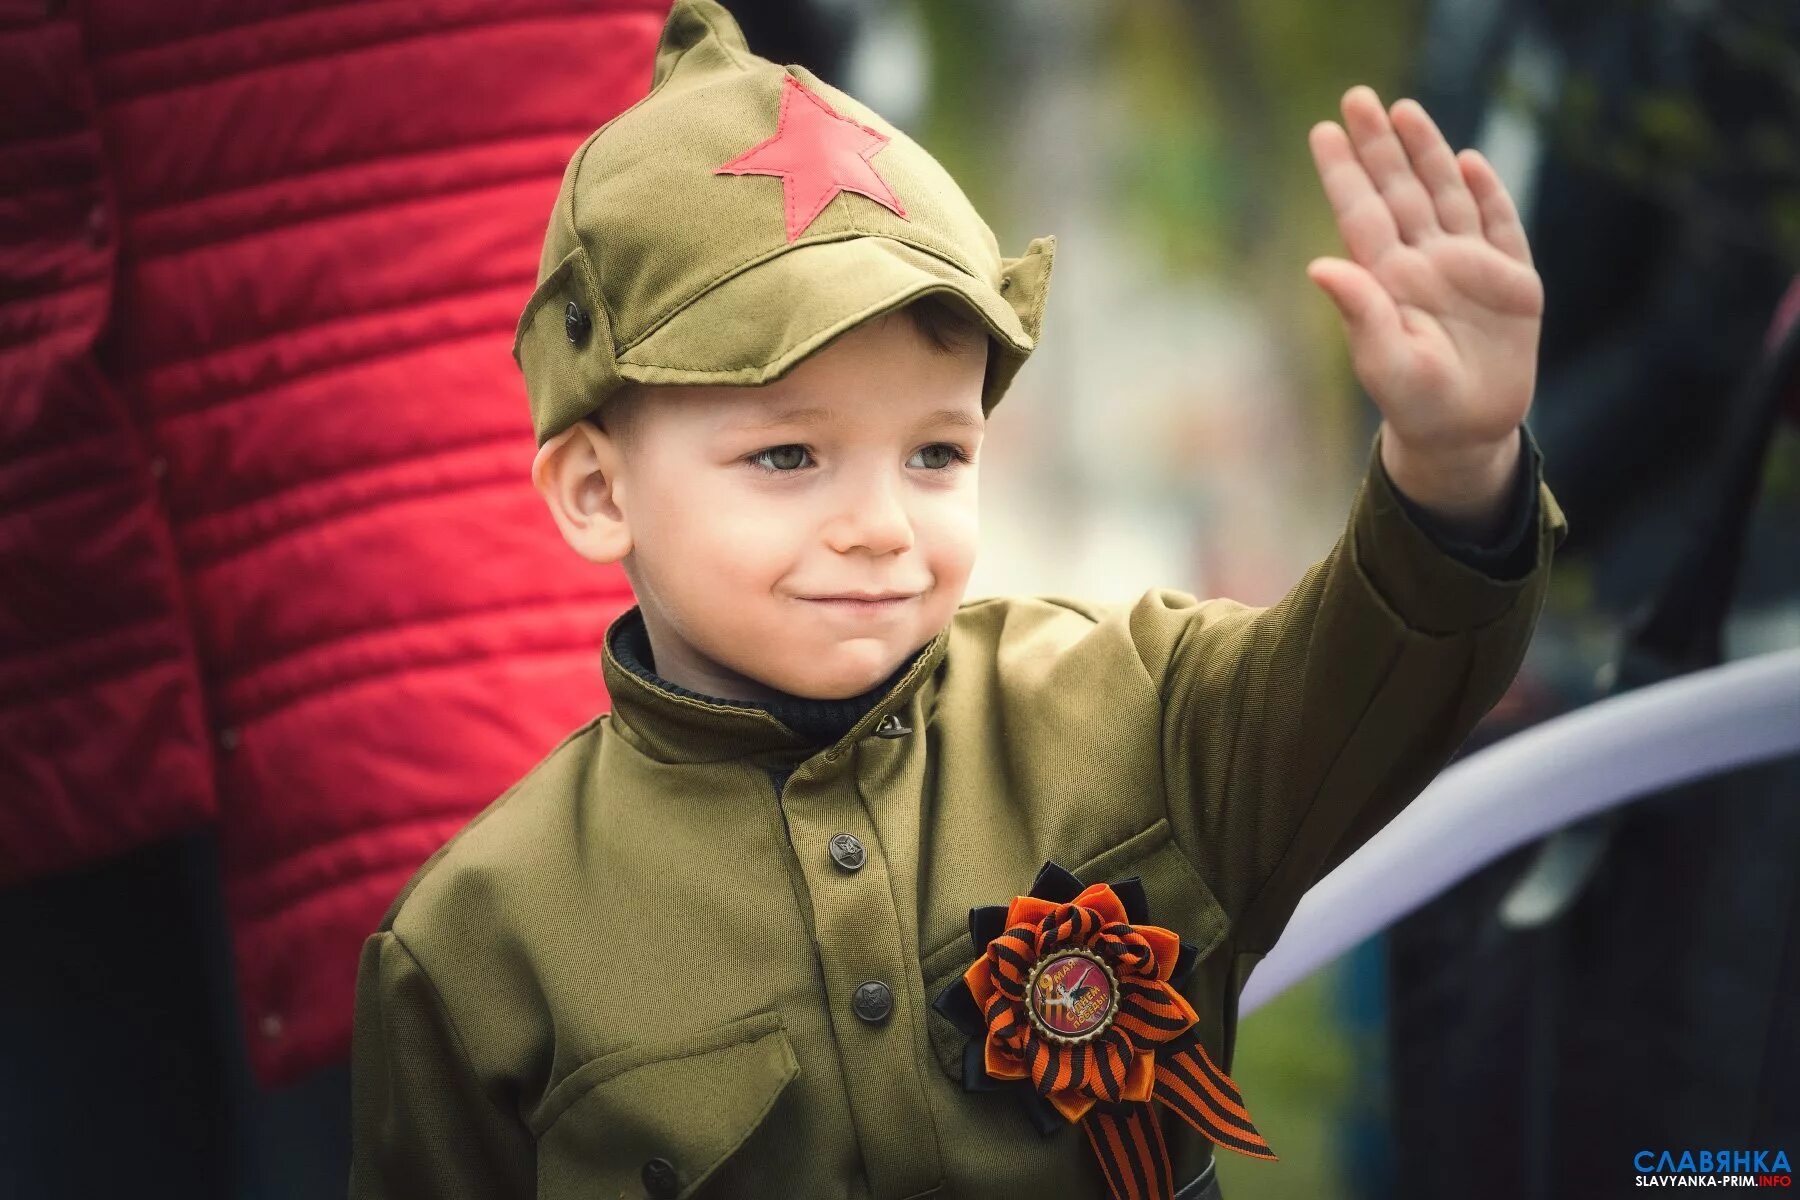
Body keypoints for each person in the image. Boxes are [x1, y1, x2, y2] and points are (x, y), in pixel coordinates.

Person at [346, 1, 1567, 1197]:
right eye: (788, 456)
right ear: (597, 492)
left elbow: (1386, 672)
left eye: (936, 453)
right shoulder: (476, 944)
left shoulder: (1133, 703)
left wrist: (1454, 464)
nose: (883, 525)